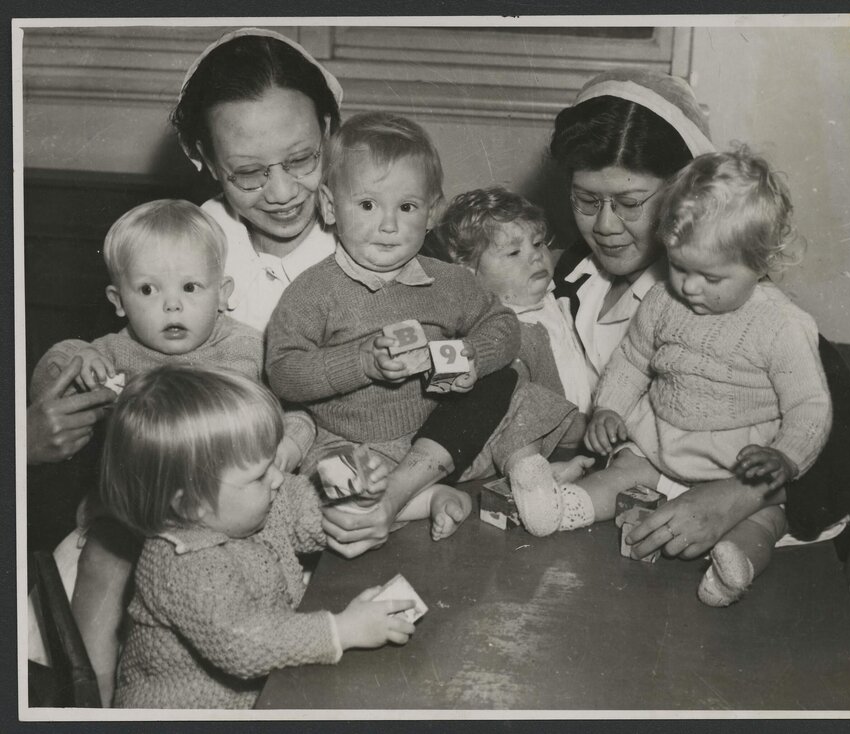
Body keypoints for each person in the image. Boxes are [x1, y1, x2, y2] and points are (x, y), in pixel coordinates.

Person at [171, 27, 518, 557]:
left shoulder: (383, 228)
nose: (283, 193)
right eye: (247, 173)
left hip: (388, 470)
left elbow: (482, 362)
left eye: (302, 160)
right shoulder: (186, 251)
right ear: (207, 159)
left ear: (330, 133)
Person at [549, 68, 850, 562]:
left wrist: (740, 497)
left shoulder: (740, 308)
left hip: (713, 532)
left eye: (629, 202)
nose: (604, 226)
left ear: (680, 197)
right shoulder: (568, 274)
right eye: (585, 200)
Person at [28, 198, 315, 705]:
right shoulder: (116, 350)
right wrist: (78, 357)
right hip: (130, 515)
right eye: (147, 290)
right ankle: (92, 697)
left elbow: (280, 413)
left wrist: (288, 447)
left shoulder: (242, 348)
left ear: (223, 293)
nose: (172, 305)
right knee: (100, 569)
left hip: (219, 520)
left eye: (190, 287)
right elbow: (54, 366)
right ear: (118, 301)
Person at [516, 148, 832, 606]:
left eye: (711, 277)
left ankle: (734, 568)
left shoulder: (782, 325)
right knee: (622, 470)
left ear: (761, 262)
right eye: (680, 267)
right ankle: (562, 507)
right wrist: (610, 407)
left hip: (736, 460)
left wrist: (785, 457)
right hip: (659, 440)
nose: (690, 287)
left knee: (761, 523)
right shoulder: (665, 300)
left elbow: (810, 405)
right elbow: (633, 358)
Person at [266, 112, 583, 529]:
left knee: (515, 389)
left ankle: (529, 473)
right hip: (354, 443)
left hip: (444, 436)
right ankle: (423, 500)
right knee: (330, 486)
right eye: (366, 205)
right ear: (329, 206)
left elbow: (503, 325)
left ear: (432, 212)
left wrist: (474, 355)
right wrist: (360, 362)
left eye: (408, 206)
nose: (389, 224)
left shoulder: (448, 281)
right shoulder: (313, 292)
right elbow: (283, 372)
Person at [104, 366, 417, 708]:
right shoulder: (181, 565)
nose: (278, 478)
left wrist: (361, 500)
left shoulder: (247, 506)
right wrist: (343, 630)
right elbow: (244, 644)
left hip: (270, 687)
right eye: (258, 476)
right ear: (191, 503)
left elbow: (312, 513)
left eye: (272, 463)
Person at [435, 186, 593, 416]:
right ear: (468, 272)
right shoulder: (485, 326)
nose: (536, 255)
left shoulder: (555, 294)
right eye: (513, 253)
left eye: (538, 243)